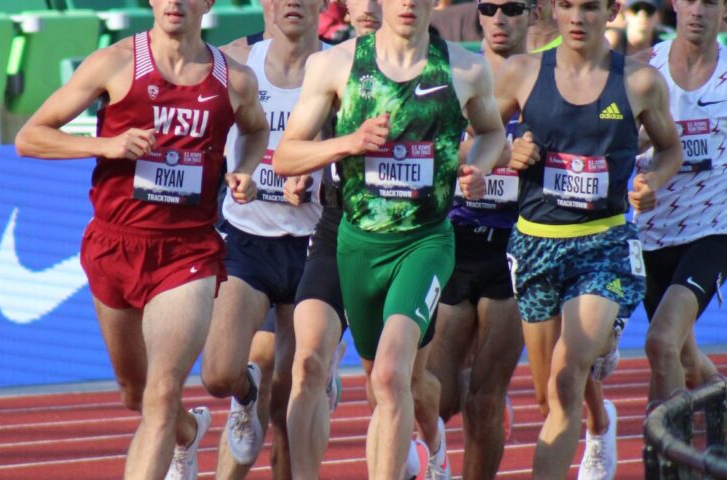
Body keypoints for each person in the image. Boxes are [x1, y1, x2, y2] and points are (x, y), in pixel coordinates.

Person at [13, 0, 269, 478]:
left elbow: (256, 129)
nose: (174, 3)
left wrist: (244, 170)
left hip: (186, 251)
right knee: (135, 391)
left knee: (162, 390)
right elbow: (30, 137)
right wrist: (104, 144)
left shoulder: (233, 80)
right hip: (115, 245)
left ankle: (178, 428)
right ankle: (187, 434)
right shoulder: (114, 63)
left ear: (207, 4)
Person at [274, 0, 507, 474]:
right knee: (383, 380)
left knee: (388, 375)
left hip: (425, 242)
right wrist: (349, 142)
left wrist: (476, 168)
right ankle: (432, 439)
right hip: (356, 241)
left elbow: (491, 133)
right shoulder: (334, 65)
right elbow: (285, 157)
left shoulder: (465, 68)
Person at [493, 0, 683, 475]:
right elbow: (471, 139)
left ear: (612, 12)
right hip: (535, 243)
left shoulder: (639, 82)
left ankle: (602, 336)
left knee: (566, 375)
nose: (578, 18)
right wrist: (506, 152)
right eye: (568, 6)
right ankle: (601, 422)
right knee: (546, 396)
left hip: (603, 243)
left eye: (591, 7)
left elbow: (669, 150)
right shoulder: (521, 73)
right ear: (553, 11)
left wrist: (651, 183)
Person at [197, 0, 327, 477]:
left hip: (314, 247)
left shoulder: (341, 66)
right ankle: (243, 397)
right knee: (218, 373)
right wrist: (235, 174)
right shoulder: (233, 61)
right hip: (246, 240)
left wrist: (320, 180)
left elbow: (360, 154)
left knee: (293, 403)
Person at [426, 0, 534, 477]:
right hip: (458, 235)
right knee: (439, 397)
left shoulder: (544, 78)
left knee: (486, 402)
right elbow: (427, 144)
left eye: (512, 8)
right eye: (489, 8)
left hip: (515, 245)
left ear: (532, 14)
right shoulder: (458, 72)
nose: (499, 19)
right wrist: (495, 152)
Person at [283, 1, 382, 478]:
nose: (372, 7)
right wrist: (314, 167)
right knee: (307, 365)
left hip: (408, 240)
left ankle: (428, 452)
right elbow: (293, 150)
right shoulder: (332, 64)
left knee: (394, 381)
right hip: (338, 228)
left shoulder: (444, 69)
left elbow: (479, 138)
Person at [633, 0, 725, 409]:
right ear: (674, 3)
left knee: (661, 341)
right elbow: (609, 143)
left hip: (713, 229)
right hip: (650, 233)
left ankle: (668, 462)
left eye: (710, 2)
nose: (698, 11)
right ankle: (721, 406)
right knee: (685, 359)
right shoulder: (639, 70)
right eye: (690, 0)